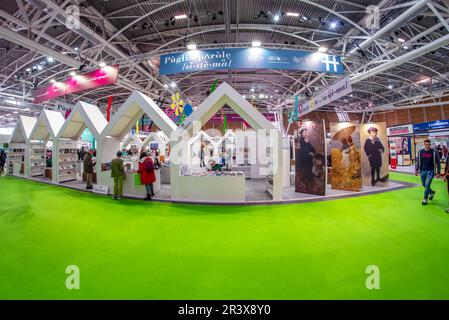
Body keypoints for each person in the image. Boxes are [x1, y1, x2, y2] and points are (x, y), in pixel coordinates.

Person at [415, 139, 441, 205]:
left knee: (427, 185)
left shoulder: (434, 152)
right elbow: (418, 162)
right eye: (426, 144)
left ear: (430, 144)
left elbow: (438, 163)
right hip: (422, 171)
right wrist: (416, 170)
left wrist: (438, 172)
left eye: (429, 144)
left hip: (430, 171)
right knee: (424, 184)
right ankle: (431, 192)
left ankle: (425, 199)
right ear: (424, 144)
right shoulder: (421, 152)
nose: (428, 146)